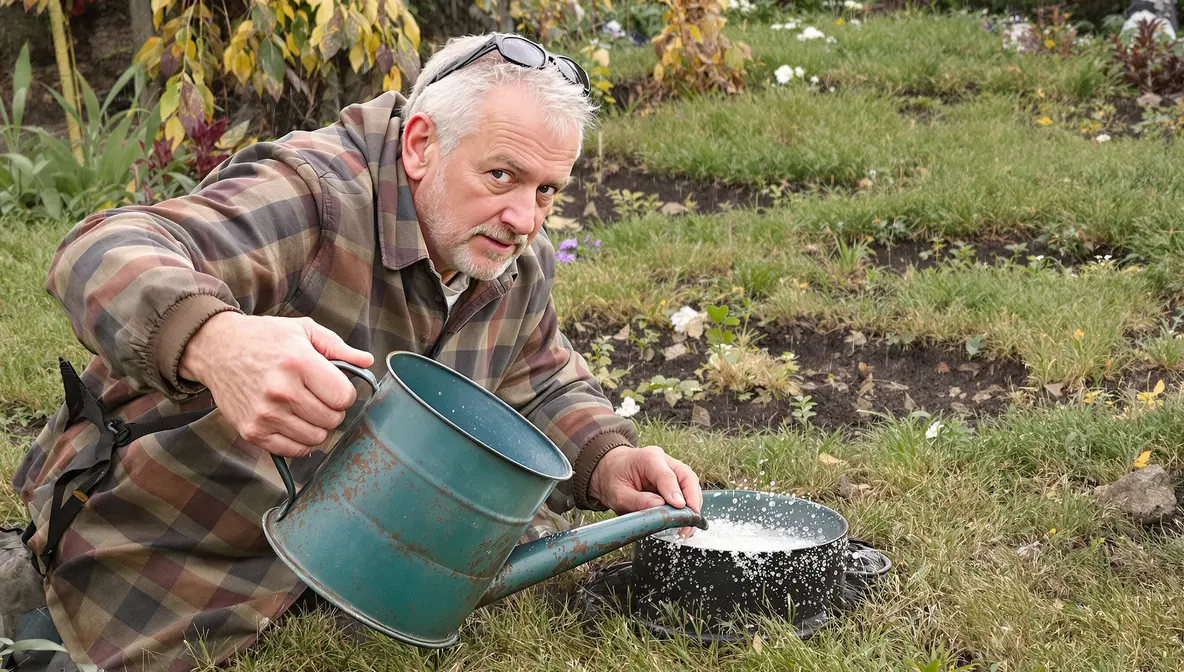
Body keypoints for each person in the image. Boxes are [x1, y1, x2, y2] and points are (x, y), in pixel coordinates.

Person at [8, 32, 703, 672]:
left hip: (354, 567)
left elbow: (541, 378)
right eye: (501, 175)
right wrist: (217, 343)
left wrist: (608, 459)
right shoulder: (317, 194)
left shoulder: (511, 257)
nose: (525, 218)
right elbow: (101, 250)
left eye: (546, 190)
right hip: (175, 558)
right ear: (421, 144)